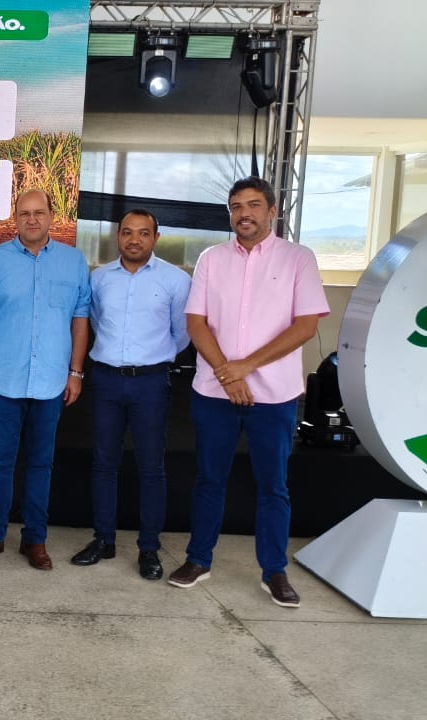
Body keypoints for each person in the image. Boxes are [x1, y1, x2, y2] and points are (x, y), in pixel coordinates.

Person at [168, 176, 329, 608]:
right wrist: (229, 375)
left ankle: (274, 571)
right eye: (237, 206)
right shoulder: (212, 259)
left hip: (274, 396)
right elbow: (196, 322)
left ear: (272, 211)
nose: (244, 214)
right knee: (209, 480)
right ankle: (198, 560)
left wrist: (246, 366)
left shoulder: (298, 258)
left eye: (254, 205)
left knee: (273, 486)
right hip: (214, 393)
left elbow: (305, 326)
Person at [0, 189, 90, 571]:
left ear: (51, 216)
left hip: (51, 382)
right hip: (3, 380)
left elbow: (80, 320)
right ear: (14, 218)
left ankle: (35, 539)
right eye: (24, 213)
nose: (32, 219)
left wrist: (75, 372)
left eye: (39, 212)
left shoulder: (73, 261)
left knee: (40, 464)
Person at [69, 210, 191, 579]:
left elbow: (182, 334)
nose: (134, 240)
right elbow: (93, 323)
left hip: (150, 383)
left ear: (156, 237)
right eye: (127, 232)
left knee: (151, 467)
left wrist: (151, 358)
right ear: (118, 236)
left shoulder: (175, 280)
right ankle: (103, 540)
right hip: (106, 379)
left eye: (143, 233)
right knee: (104, 463)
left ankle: (149, 549)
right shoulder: (99, 278)